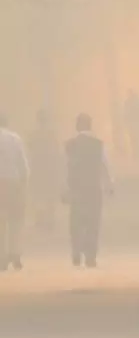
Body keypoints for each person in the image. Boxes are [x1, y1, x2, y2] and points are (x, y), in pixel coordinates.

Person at [64, 114, 114, 268]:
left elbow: (65, 167)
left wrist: (64, 188)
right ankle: (90, 255)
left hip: (76, 189)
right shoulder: (98, 144)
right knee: (93, 222)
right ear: (90, 126)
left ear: (77, 126)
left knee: (76, 221)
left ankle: (76, 252)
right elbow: (105, 165)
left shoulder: (69, 145)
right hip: (93, 188)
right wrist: (109, 184)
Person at [0, 114, 29, 271]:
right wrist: (24, 181)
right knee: (15, 220)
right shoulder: (14, 138)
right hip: (12, 183)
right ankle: (15, 254)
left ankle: (1, 257)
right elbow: (22, 162)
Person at [26, 109, 62, 232]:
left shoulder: (34, 134)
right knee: (49, 194)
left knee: (38, 193)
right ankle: (50, 219)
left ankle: (40, 218)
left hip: (37, 166)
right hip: (49, 167)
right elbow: (56, 150)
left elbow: (29, 148)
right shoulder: (52, 134)